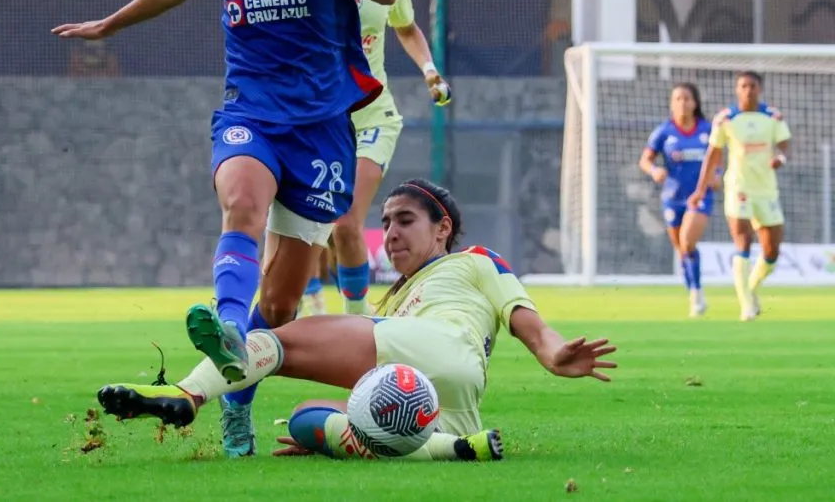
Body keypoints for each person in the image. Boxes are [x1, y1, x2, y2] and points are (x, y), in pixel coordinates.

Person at [53, 0, 396, 457]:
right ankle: (228, 328)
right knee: (241, 204)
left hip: (320, 131)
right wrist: (110, 24)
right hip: (250, 116)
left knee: (284, 302)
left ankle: (236, 400)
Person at [95, 179, 618, 461]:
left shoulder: (474, 260)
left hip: (433, 351)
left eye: (405, 221)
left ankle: (189, 396)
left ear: (444, 230)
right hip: (448, 409)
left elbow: (521, 313)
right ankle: (456, 450)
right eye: (386, 222)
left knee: (283, 340)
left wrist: (551, 352)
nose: (390, 233)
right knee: (305, 419)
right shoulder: (391, 303)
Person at [299, 0, 451, 319]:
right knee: (309, 221)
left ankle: (358, 320)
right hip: (318, 119)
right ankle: (308, 303)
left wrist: (429, 70)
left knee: (345, 219)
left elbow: (406, 26)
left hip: (372, 116)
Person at [688, 71, 791, 321]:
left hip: (766, 190)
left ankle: (752, 289)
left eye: (752, 86)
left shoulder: (772, 116)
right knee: (743, 242)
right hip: (738, 188)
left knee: (771, 251)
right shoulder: (725, 119)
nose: (748, 90)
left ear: (760, 89)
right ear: (737, 90)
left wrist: (781, 158)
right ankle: (745, 305)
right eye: (743, 86)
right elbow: (713, 154)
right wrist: (700, 189)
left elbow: (785, 143)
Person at [638, 83, 717, 317]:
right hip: (672, 197)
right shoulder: (664, 132)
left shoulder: (708, 130)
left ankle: (696, 293)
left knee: (687, 241)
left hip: (699, 196)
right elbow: (645, 160)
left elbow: (718, 159)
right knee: (682, 248)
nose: (682, 103)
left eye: (686, 98)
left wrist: (718, 176)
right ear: (672, 104)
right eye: (677, 99)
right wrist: (654, 171)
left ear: (695, 103)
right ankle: (695, 292)